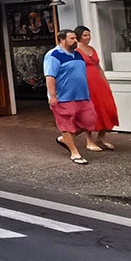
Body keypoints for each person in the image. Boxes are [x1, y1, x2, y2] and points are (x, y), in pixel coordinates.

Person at [44, 28, 97, 164]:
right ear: (62, 40)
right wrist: (53, 96)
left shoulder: (78, 55)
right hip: (64, 97)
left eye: (75, 38)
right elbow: (50, 77)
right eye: (72, 38)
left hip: (82, 95)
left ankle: (64, 139)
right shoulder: (53, 55)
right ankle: (75, 153)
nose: (75, 41)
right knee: (66, 125)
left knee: (89, 121)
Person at [74, 26, 118, 150]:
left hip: (99, 83)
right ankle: (89, 141)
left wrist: (105, 81)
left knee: (107, 108)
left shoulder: (92, 49)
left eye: (89, 35)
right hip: (87, 84)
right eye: (85, 35)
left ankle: (101, 137)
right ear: (78, 37)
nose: (88, 37)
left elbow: (98, 66)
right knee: (90, 111)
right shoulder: (76, 52)